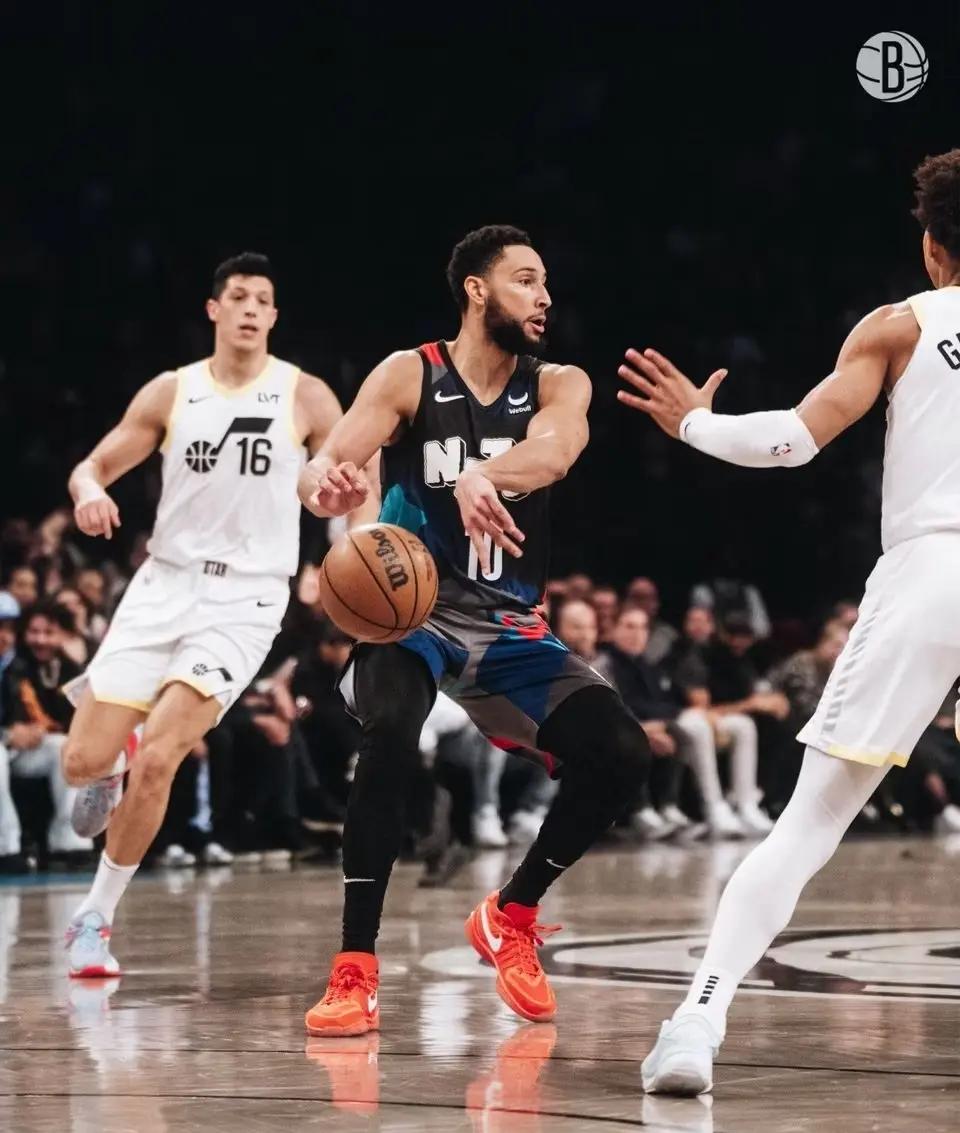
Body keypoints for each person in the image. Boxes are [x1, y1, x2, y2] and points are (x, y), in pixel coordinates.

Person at [619, 149, 960, 1094]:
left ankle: (697, 1022)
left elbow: (792, 440)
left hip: (931, 572)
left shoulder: (903, 324)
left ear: (933, 249)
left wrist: (693, 422)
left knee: (808, 825)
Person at [300, 225, 651, 1035]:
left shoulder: (558, 382)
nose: (544, 297)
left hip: (508, 624)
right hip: (413, 610)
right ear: (476, 289)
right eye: (526, 280)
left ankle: (510, 914)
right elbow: (328, 460)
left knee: (624, 752)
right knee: (391, 732)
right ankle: (355, 968)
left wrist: (481, 474)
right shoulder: (409, 373)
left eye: (546, 283)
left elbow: (556, 452)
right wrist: (324, 486)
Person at [58, 251, 365, 978]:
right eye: (239, 296)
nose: (251, 308)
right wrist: (88, 492)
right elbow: (92, 466)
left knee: (162, 756)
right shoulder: (174, 390)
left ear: (274, 316)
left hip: (246, 599)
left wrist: (349, 532)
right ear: (215, 309)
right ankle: (109, 765)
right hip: (163, 585)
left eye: (263, 299)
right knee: (80, 764)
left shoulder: (304, 394)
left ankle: (94, 918)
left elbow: (349, 475)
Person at [2, 603, 92, 863]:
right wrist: (9, 733)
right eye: (34, 632)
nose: (40, 640)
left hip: (30, 748)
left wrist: (36, 731)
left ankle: (70, 842)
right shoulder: (15, 665)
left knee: (64, 747)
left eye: (48, 632)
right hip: (8, 744)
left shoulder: (71, 670)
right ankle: (6, 847)